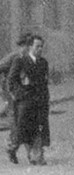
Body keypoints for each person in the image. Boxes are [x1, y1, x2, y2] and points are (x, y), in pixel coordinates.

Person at [7, 34, 50, 165]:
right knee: (21, 130)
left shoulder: (43, 63)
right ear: (30, 46)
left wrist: (46, 98)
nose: (40, 49)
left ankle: (36, 156)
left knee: (38, 128)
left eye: (41, 47)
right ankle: (11, 148)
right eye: (37, 46)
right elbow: (12, 80)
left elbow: (44, 82)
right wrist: (20, 95)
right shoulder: (20, 61)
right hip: (24, 102)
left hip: (39, 102)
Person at [0, 33, 32, 121]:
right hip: (10, 87)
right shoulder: (14, 57)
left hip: (22, 88)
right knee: (14, 110)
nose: (28, 48)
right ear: (21, 46)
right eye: (26, 46)